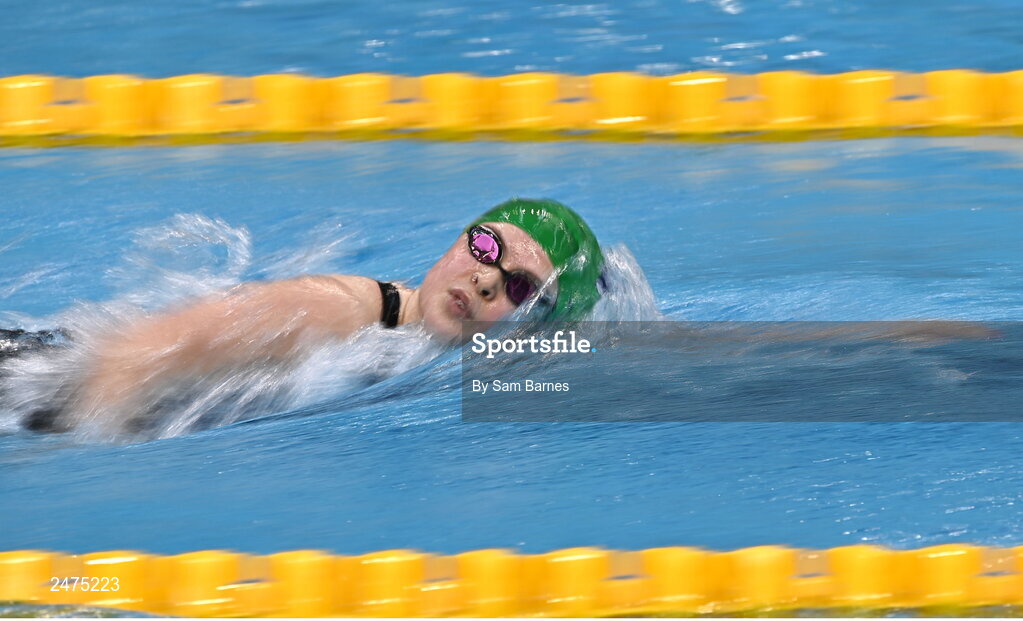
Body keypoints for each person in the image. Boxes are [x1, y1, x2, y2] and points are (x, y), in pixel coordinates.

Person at [13, 198, 605, 434]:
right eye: (484, 247)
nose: (483, 278)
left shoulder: (414, 353)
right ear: (459, 239)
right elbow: (127, 358)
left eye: (519, 288)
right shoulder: (336, 311)